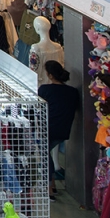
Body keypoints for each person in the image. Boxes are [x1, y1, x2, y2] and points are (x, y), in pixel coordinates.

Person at [38, 61, 81, 195]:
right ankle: (52, 185)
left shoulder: (45, 90)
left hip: (47, 128)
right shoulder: (72, 92)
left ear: (50, 75)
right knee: (46, 152)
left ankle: (50, 188)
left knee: (44, 154)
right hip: (64, 130)